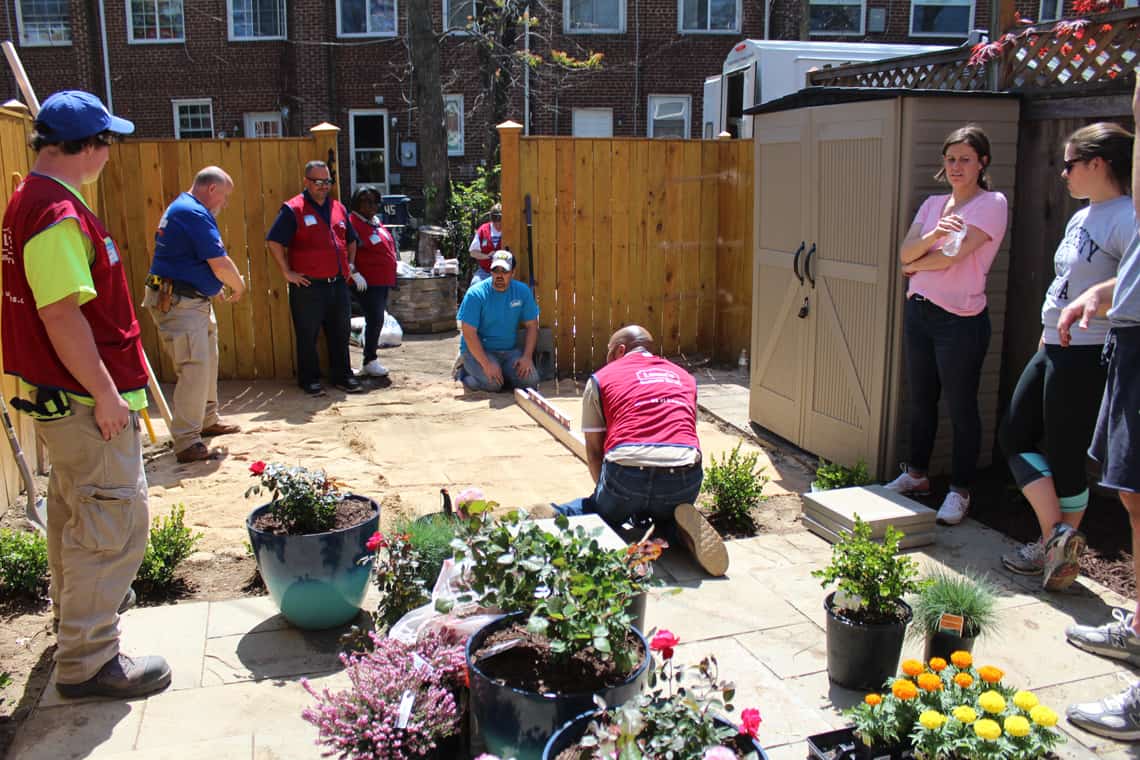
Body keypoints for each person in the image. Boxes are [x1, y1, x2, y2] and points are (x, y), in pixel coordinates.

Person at [0, 90, 171, 698]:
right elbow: (61, 315)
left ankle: (75, 630)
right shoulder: (55, 215)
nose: (108, 153)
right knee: (112, 523)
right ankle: (90, 661)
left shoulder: (33, 200)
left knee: (77, 517)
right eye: (107, 142)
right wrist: (104, 393)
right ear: (87, 147)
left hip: (60, 398)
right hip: (82, 401)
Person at [1000, 123, 1135, 590]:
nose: (1063, 173)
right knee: (1015, 435)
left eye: (1070, 163)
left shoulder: (1128, 217)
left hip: (1089, 350)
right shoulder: (1082, 217)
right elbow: (1064, 285)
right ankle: (1058, 537)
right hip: (1052, 344)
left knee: (1064, 454)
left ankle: (1056, 550)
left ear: (1098, 164)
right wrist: (1042, 338)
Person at [1061, 79, 1140, 742]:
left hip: (1119, 342)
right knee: (1135, 497)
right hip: (1123, 332)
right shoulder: (1095, 217)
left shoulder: (1125, 211)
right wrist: (1112, 290)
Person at [884, 125, 1009, 527]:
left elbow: (952, 257)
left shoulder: (991, 203)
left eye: (965, 159)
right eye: (951, 159)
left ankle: (960, 490)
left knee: (961, 407)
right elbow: (906, 248)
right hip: (920, 311)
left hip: (960, 320)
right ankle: (916, 475)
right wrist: (933, 235)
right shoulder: (934, 204)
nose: (956, 166)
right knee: (921, 399)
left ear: (982, 163)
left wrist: (913, 264)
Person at [554, 326, 728, 577]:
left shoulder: (602, 377)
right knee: (662, 514)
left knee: (601, 512)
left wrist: (607, 498)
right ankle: (674, 530)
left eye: (608, 352)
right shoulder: (685, 378)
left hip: (626, 473)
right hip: (684, 472)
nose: (606, 358)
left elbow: (594, 451)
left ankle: (559, 514)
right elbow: (686, 432)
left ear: (621, 350)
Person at [143, 166, 247, 463]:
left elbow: (185, 258)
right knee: (193, 367)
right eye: (224, 197)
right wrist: (238, 286)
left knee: (206, 362)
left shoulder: (183, 208)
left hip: (191, 299)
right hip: (179, 302)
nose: (224, 204)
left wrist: (210, 287)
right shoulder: (193, 213)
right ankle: (187, 441)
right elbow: (220, 263)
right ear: (212, 189)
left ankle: (206, 419)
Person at [266, 161, 363, 396]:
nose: (323, 186)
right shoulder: (293, 209)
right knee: (307, 335)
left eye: (327, 182)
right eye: (318, 182)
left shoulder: (338, 208)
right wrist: (286, 272)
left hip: (337, 284)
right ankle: (309, 380)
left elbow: (351, 239)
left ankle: (342, 376)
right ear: (306, 181)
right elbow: (274, 241)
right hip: (308, 286)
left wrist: (350, 264)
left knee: (341, 332)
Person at [456, 250, 540, 392]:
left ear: (513, 272)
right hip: (478, 351)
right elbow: (468, 333)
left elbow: (532, 325)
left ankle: (499, 376)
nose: (499, 275)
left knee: (530, 381)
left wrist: (527, 357)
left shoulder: (522, 291)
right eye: (496, 271)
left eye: (504, 271)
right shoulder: (475, 294)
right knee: (493, 385)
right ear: (490, 271)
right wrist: (486, 364)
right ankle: (464, 374)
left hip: (509, 352)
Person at [347, 186, 397, 379]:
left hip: (381, 281)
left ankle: (370, 360)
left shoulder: (375, 223)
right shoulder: (352, 223)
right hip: (364, 282)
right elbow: (346, 250)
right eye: (366, 202)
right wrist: (354, 272)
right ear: (356, 203)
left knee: (377, 320)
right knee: (374, 319)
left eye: (375, 201)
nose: (372, 206)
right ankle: (369, 359)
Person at [467, 202, 502, 284]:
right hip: (485, 271)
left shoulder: (509, 229)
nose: (498, 225)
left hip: (504, 272)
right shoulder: (483, 230)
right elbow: (473, 252)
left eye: (500, 221)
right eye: (495, 221)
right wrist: (487, 256)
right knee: (474, 285)